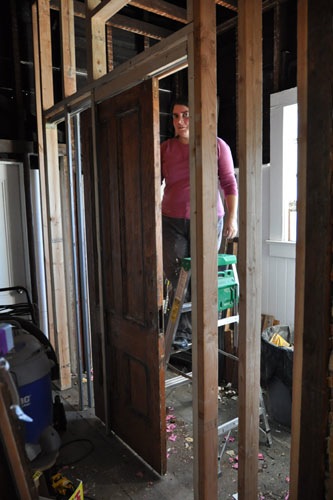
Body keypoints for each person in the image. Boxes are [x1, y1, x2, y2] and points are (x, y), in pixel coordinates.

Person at [161, 96, 238, 348]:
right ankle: (183, 334)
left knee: (202, 275)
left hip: (207, 218)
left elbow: (229, 183)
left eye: (185, 114)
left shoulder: (216, 146)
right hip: (172, 220)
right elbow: (154, 180)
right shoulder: (166, 149)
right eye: (175, 116)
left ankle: (202, 329)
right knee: (177, 275)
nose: (180, 121)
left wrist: (231, 218)